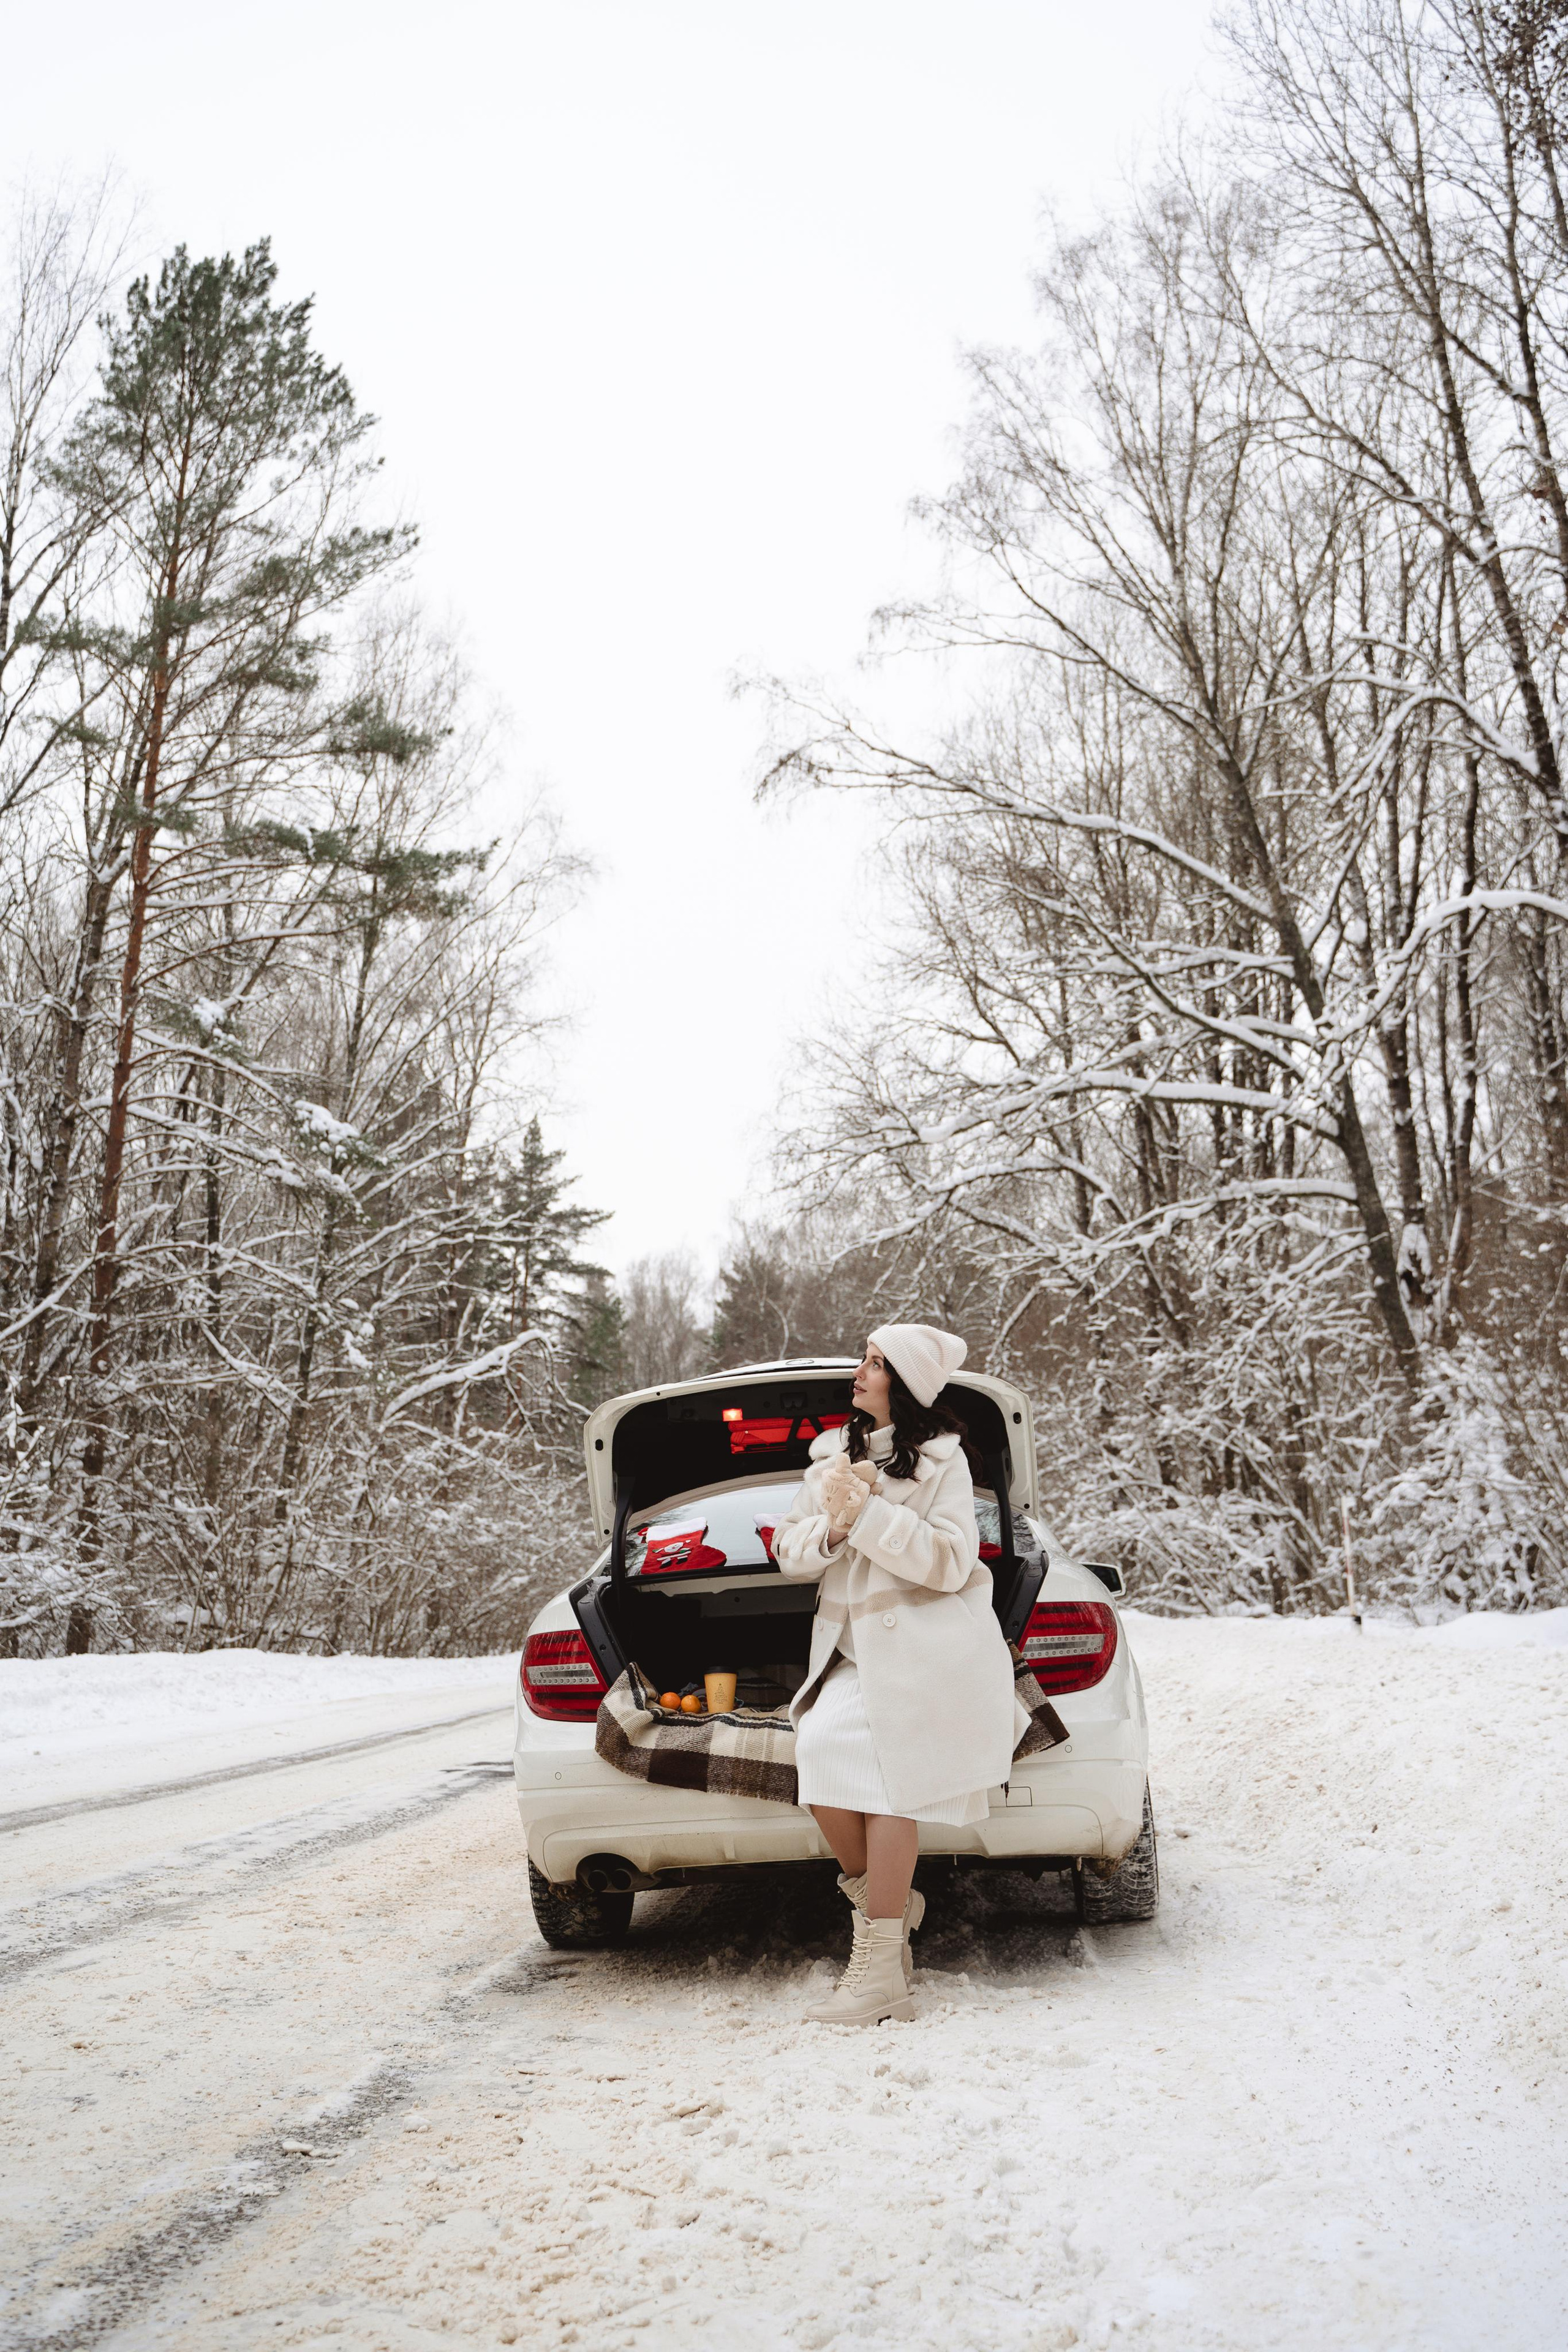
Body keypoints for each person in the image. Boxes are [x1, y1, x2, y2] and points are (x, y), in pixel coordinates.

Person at [774, 1324, 1025, 2025]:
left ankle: (881, 1968)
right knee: (819, 1752)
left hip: (929, 1654)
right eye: (864, 1357)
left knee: (890, 1781)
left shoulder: (944, 1463)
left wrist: (871, 1515)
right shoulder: (829, 1457)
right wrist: (830, 1525)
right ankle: (888, 1901)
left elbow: (950, 1563)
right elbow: (788, 1550)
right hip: (854, 1656)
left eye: (876, 1363)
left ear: (905, 1386)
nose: (859, 1371)